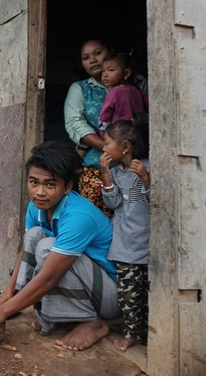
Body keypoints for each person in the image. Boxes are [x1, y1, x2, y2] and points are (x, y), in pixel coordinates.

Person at [0, 141, 121, 351]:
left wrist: (2, 312)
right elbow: (25, 250)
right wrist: (9, 292)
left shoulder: (79, 216)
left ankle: (92, 322)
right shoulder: (36, 207)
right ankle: (43, 309)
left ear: (67, 186)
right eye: (34, 182)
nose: (40, 192)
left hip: (110, 296)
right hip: (84, 282)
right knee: (33, 236)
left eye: (50, 185)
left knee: (47, 248)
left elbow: (49, 277)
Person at [99, 114, 150, 351]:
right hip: (124, 246)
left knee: (148, 294)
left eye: (108, 143)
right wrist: (106, 176)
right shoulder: (117, 173)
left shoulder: (148, 167)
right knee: (128, 296)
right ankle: (132, 332)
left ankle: (149, 331)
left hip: (147, 246)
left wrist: (145, 178)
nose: (105, 147)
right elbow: (113, 203)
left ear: (125, 147)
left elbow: (159, 203)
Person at [64, 39, 113, 216]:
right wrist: (108, 148)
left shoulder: (136, 83)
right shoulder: (80, 89)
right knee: (93, 219)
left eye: (98, 53)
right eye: (86, 57)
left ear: (110, 51)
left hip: (131, 167)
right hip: (94, 169)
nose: (92, 59)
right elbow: (75, 123)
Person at [98, 53, 148, 136]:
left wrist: (103, 134)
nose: (105, 75)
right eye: (103, 70)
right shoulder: (136, 89)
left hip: (118, 133)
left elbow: (105, 114)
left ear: (127, 73)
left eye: (110, 70)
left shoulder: (115, 91)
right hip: (136, 131)